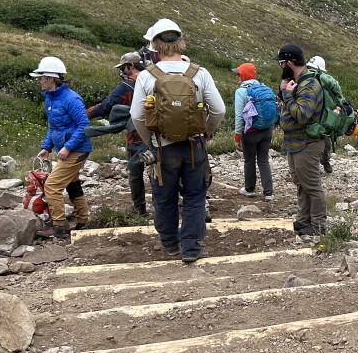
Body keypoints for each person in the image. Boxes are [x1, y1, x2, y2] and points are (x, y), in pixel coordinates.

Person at [131, 20, 226, 264]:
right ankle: (191, 247)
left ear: (154, 45)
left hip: (162, 148)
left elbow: (137, 116)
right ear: (180, 42)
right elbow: (219, 110)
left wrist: (150, 140)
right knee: (195, 196)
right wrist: (207, 131)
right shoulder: (199, 73)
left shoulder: (147, 76)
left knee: (165, 196)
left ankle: (170, 243)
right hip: (194, 146)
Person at [30, 56, 91, 241]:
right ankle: (83, 221)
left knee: (52, 186)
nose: (39, 81)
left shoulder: (71, 99)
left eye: (41, 77)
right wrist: (47, 147)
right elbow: (54, 127)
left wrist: (67, 147)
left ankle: (59, 227)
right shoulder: (50, 99)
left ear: (51, 78)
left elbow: (84, 125)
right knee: (72, 184)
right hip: (67, 149)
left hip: (77, 150)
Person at [87, 51, 150, 216]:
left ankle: (139, 209)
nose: (122, 71)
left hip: (135, 136)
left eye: (123, 68)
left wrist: (84, 115)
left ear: (130, 66)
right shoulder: (154, 81)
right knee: (158, 173)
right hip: (155, 135)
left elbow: (106, 106)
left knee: (135, 173)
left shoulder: (126, 87)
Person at [276, 43, 326, 237]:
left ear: (290, 63)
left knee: (312, 185)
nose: (280, 67)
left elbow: (302, 115)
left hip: (308, 143)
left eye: (281, 63)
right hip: (294, 143)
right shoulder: (296, 82)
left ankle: (318, 225)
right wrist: (283, 92)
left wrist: (287, 96)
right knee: (300, 183)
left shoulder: (310, 85)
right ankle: (304, 219)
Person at [233, 62, 276, 201]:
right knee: (263, 160)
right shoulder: (263, 88)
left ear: (245, 75)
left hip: (250, 131)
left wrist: (237, 136)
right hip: (267, 130)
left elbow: (239, 116)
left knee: (249, 160)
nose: (237, 77)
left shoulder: (241, 92)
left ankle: (249, 189)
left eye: (239, 74)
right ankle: (269, 192)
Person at [309, 56, 337, 174]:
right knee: (317, 143)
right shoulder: (304, 81)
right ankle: (314, 166)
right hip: (312, 116)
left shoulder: (324, 83)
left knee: (325, 143)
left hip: (321, 117)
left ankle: (325, 161)